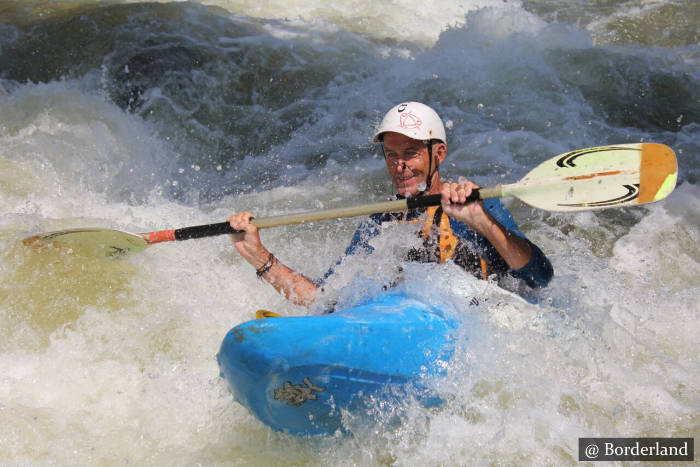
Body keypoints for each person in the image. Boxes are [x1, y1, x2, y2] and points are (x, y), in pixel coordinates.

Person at [229, 102, 553, 306]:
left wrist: (479, 221)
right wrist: (260, 258)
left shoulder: (474, 204)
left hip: (482, 322)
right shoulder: (381, 222)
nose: (400, 166)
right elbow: (324, 297)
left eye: (410, 153)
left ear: (438, 154)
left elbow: (539, 276)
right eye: (392, 155)